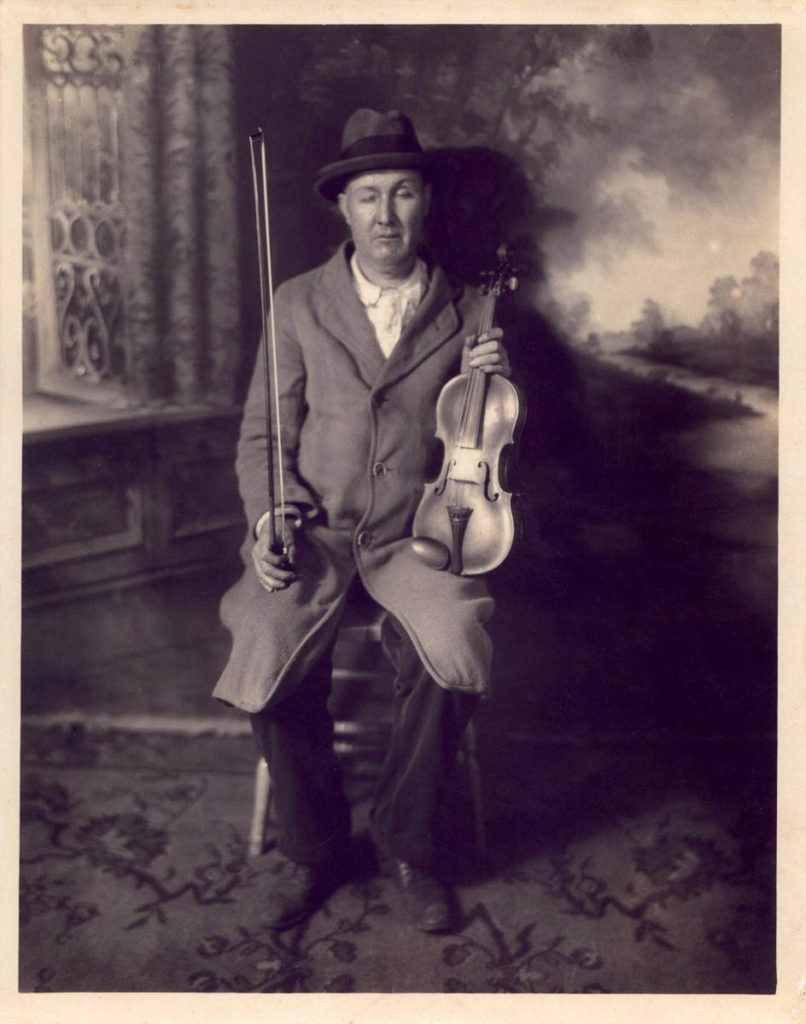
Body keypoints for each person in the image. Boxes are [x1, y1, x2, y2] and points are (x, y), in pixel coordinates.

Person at [214, 109, 511, 934]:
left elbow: (486, 444)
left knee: (454, 639)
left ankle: (406, 845)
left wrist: (494, 380)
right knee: (264, 638)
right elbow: (263, 438)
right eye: (369, 196)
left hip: (418, 533)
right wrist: (271, 512)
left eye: (404, 194)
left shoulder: (467, 311)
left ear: (425, 205)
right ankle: (315, 850)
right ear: (342, 208)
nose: (387, 216)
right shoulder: (298, 303)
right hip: (312, 531)